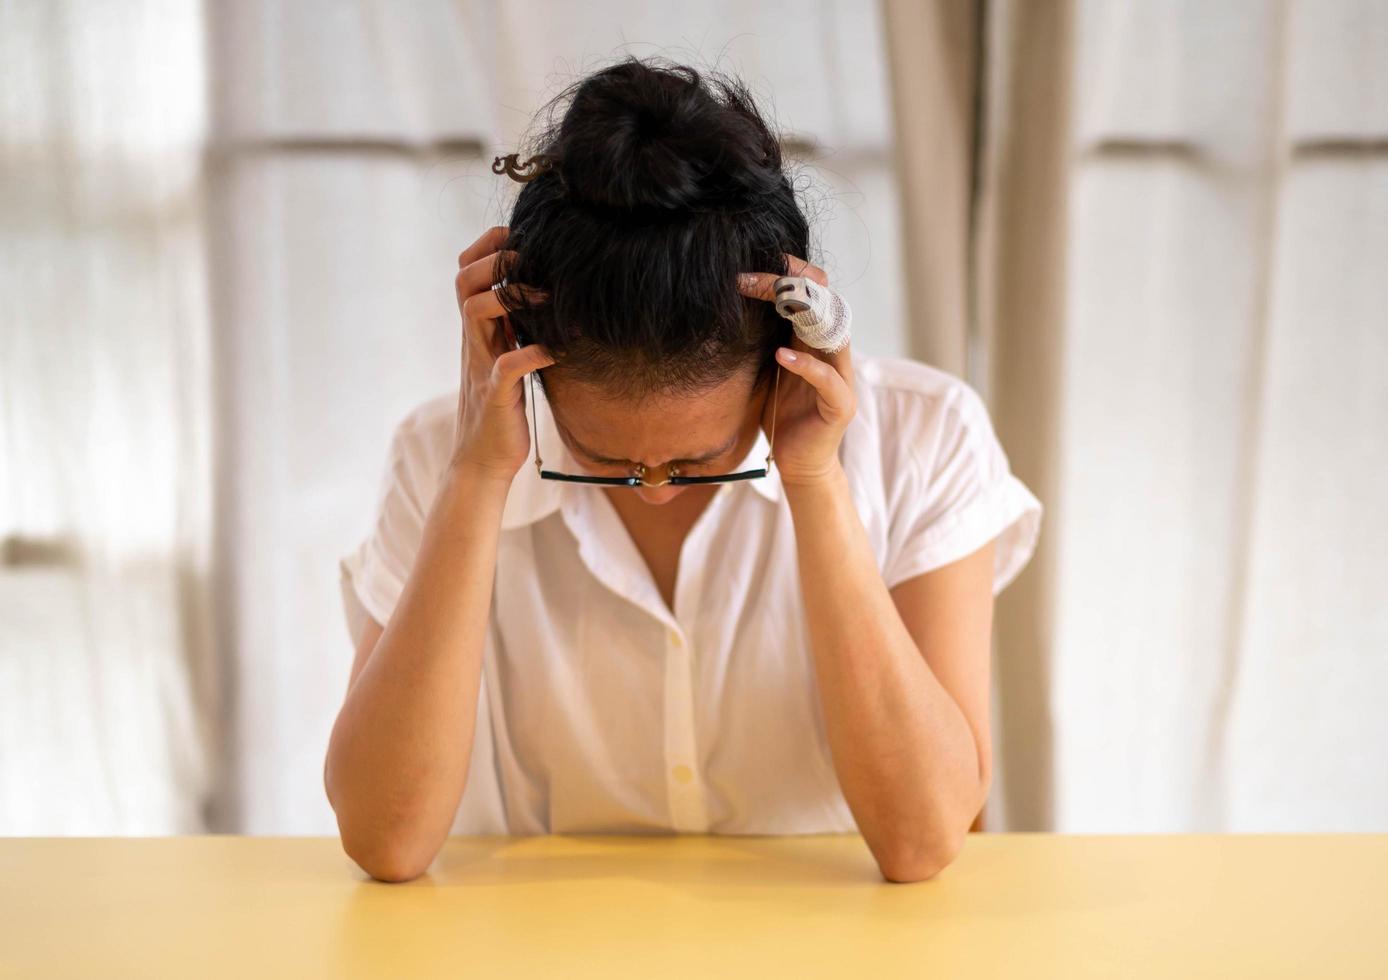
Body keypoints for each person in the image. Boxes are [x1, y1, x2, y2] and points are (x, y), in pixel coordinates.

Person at [325, 55, 1042, 884]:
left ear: (785, 362)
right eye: (601, 460)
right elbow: (385, 841)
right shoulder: (441, 458)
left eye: (702, 461)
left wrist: (815, 483)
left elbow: (922, 840)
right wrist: (476, 480)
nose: (656, 485)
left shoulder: (924, 436)